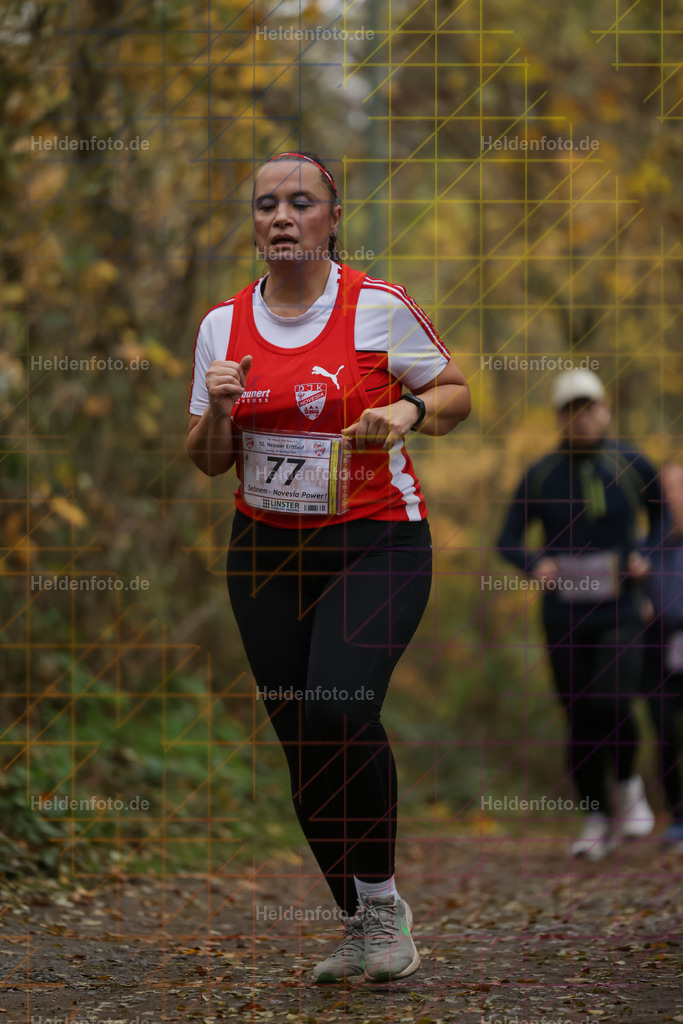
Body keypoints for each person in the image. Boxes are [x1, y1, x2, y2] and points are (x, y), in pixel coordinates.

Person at [186, 151, 471, 982]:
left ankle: (382, 906)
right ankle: (361, 927)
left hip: (377, 540)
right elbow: (206, 461)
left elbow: (456, 393)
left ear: (331, 217)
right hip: (266, 554)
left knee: (340, 708)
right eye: (266, 203)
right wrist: (223, 408)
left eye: (300, 202)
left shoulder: (377, 307)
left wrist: (404, 410)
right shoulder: (220, 327)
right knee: (303, 743)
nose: (281, 216)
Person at [496, 368, 665, 860]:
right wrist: (534, 563)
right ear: (560, 418)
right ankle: (596, 814)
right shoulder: (542, 473)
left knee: (612, 698)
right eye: (572, 410)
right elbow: (506, 538)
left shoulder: (631, 462)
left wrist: (647, 553)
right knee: (578, 717)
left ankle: (630, 785)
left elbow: (663, 516)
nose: (583, 417)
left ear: (605, 409)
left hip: (622, 609)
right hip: (564, 614)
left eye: (590, 407)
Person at [642, 462, 683, 850]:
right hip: (656, 647)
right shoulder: (645, 543)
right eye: (667, 489)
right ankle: (677, 817)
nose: (673, 497)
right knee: (665, 732)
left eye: (680, 488)